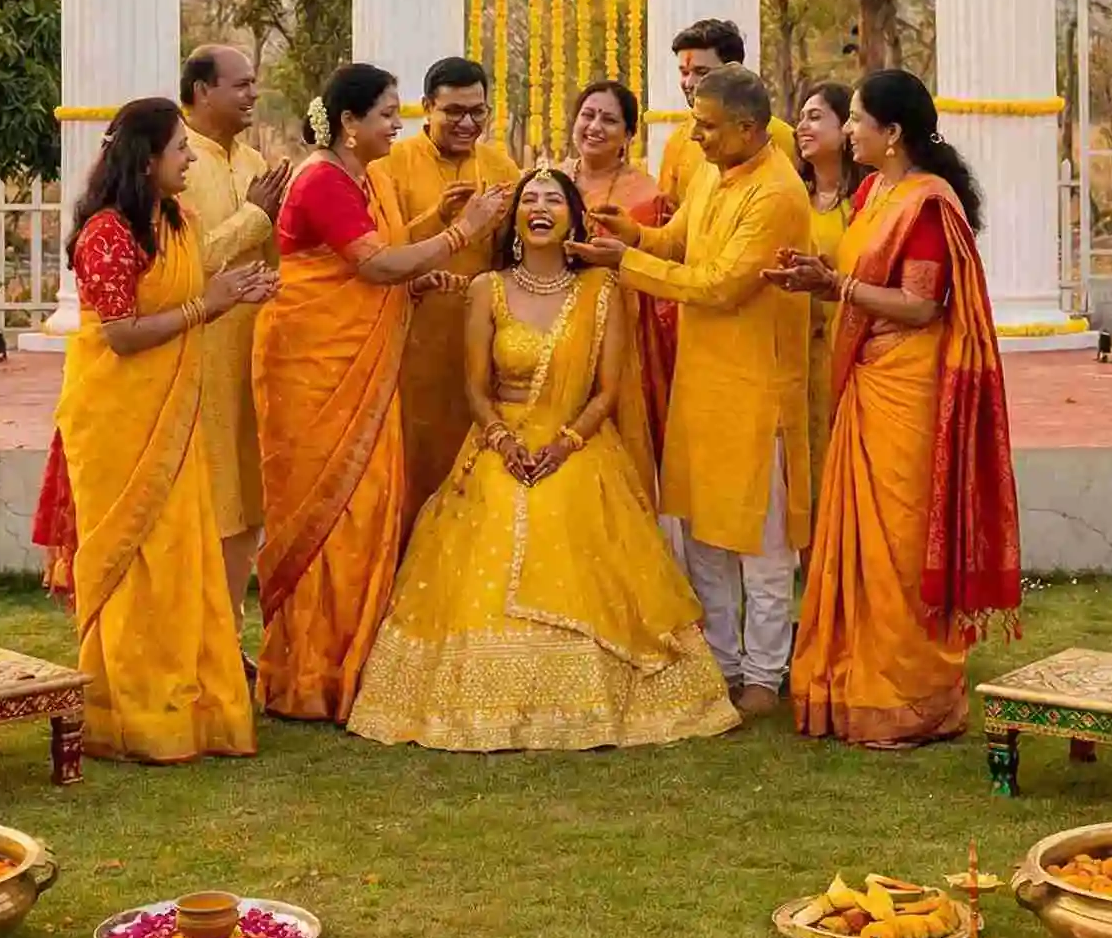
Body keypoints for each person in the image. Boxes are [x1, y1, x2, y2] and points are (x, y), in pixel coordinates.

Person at [347, 170, 738, 753]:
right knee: (495, 512)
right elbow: (475, 389)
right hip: (500, 442)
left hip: (576, 445)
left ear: (574, 218)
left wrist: (566, 443)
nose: (539, 208)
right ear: (514, 219)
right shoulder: (487, 289)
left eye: (554, 199)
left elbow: (606, 393)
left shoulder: (602, 290)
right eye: (529, 199)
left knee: (566, 509)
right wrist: (503, 442)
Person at [767, 70, 1021, 750]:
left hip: (908, 386)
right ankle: (851, 681)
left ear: (893, 132)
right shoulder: (874, 192)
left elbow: (920, 305)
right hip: (868, 376)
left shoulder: (926, 205)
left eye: (855, 119)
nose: (847, 130)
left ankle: (911, 696)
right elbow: (862, 288)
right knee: (857, 538)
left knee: (901, 542)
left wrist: (837, 285)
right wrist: (815, 281)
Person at [254, 61, 510, 723]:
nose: (398, 126)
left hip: (352, 369)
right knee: (334, 514)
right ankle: (311, 674)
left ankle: (347, 663)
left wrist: (430, 224)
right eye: (388, 114)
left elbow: (378, 256)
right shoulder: (321, 181)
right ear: (348, 123)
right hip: (315, 371)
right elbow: (374, 264)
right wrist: (462, 232)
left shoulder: (355, 177)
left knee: (365, 511)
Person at [571, 65, 811, 718]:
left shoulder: (777, 195)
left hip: (756, 391)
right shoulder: (712, 170)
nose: (694, 139)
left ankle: (763, 675)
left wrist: (626, 264)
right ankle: (722, 664)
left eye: (706, 127)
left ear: (747, 128)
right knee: (703, 535)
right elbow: (680, 245)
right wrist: (633, 235)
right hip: (701, 385)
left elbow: (720, 286)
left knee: (759, 548)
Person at [50, 97, 276, 762]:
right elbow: (120, 336)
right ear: (147, 160)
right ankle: (132, 714)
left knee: (182, 559)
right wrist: (206, 306)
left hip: (172, 417)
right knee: (133, 564)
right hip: (116, 421)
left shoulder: (175, 218)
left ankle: (190, 705)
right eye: (180, 149)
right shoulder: (106, 235)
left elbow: (193, 280)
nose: (188, 159)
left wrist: (231, 292)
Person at [369, 56, 519, 530]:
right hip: (411, 338)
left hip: (481, 339)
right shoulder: (390, 164)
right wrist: (438, 218)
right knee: (413, 464)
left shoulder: (500, 166)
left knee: (475, 468)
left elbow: (511, 256)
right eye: (454, 111)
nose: (467, 123)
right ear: (427, 107)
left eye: (478, 112)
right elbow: (376, 254)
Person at [180, 45, 291, 644]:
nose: (252, 95)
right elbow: (178, 266)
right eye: (241, 85)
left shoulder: (256, 164)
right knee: (202, 505)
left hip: (251, 357)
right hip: (191, 359)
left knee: (248, 505)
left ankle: (224, 644)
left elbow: (276, 262)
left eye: (255, 84)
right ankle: (192, 646)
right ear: (201, 91)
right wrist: (254, 219)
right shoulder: (172, 163)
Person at [561, 77, 665, 503]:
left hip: (621, 328)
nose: (595, 127)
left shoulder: (646, 194)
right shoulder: (549, 179)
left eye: (609, 120)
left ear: (628, 135)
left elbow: (654, 269)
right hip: (553, 325)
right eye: (588, 115)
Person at [796, 80, 863, 505]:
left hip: (847, 345)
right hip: (798, 347)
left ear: (846, 130)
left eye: (816, 117)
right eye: (801, 116)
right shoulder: (792, 198)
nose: (803, 126)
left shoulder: (863, 203)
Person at [655, 19, 798, 209]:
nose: (689, 83)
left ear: (734, 71)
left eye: (701, 72)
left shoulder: (780, 138)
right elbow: (669, 217)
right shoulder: (679, 141)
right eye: (684, 72)